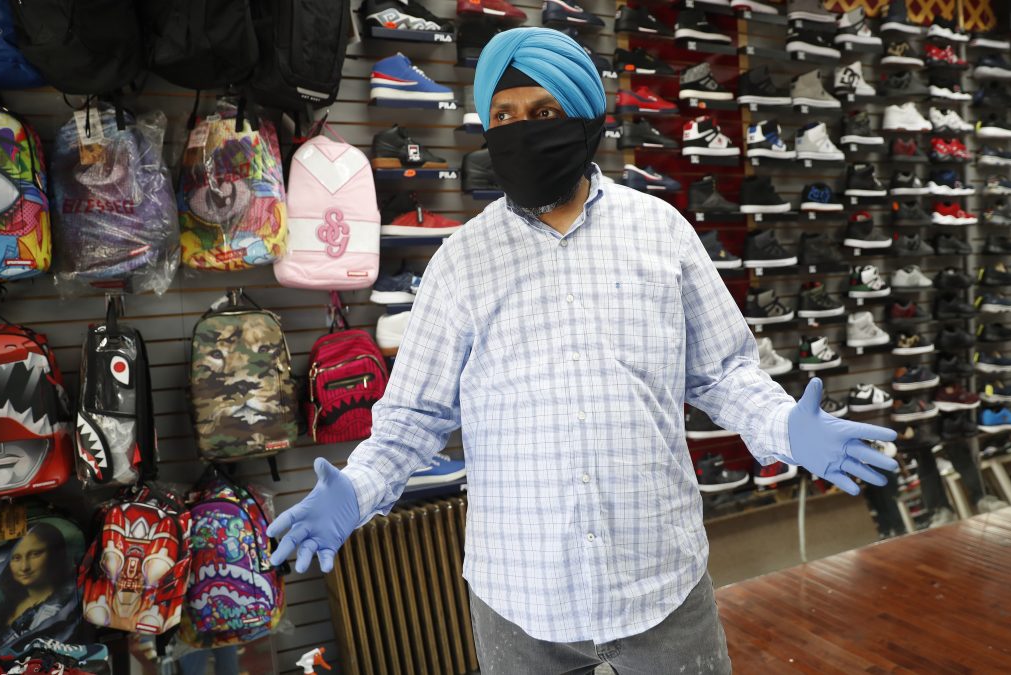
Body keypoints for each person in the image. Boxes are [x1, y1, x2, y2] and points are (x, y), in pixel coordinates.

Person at [269, 27, 898, 674]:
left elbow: (725, 371)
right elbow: (412, 420)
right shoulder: (460, 263)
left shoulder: (660, 233)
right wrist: (360, 488)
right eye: (504, 117)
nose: (521, 131)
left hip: (661, 583)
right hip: (521, 597)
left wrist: (786, 426)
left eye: (543, 113)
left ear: (586, 120)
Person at [0, 523, 80, 659]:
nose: (24, 567)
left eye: (35, 554)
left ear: (55, 554)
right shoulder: (0, 609)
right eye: (16, 558)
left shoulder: (68, 604)